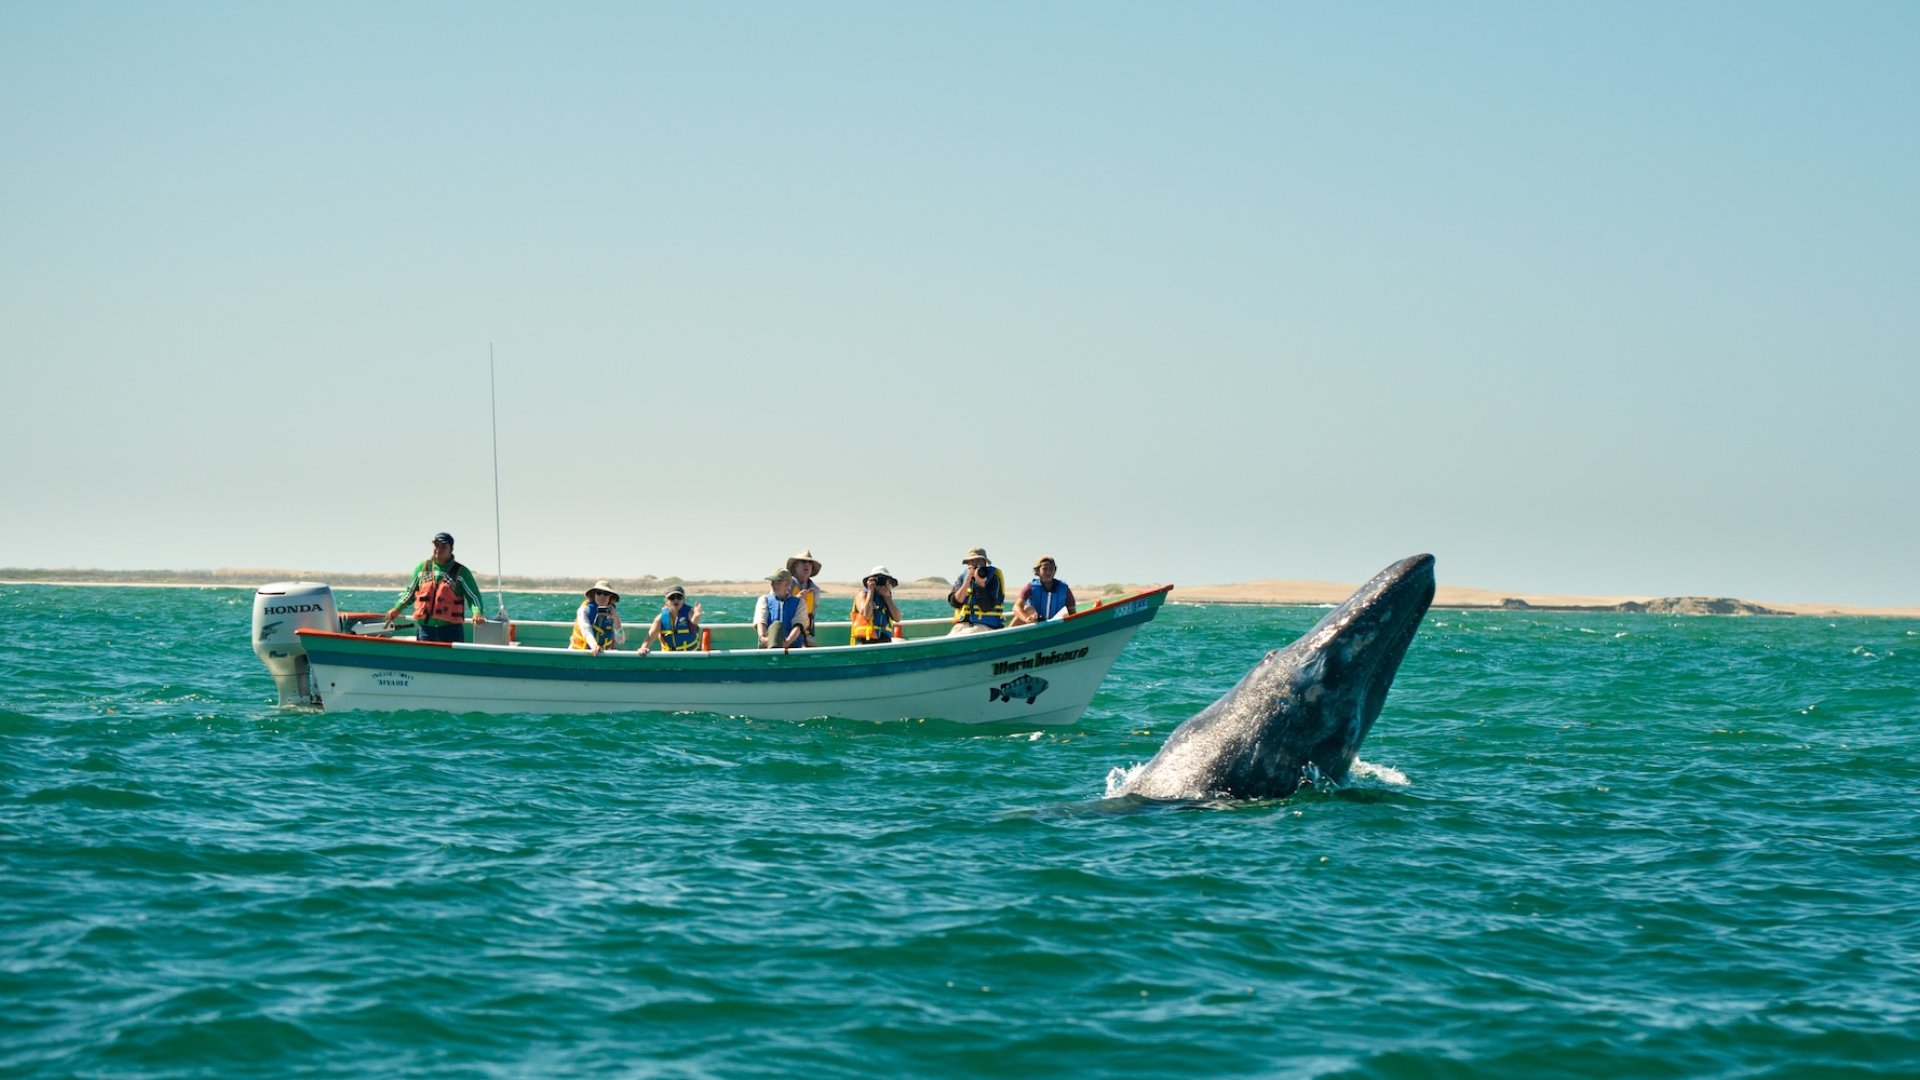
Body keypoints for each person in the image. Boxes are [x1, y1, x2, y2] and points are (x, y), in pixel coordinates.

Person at [385, 531, 487, 643]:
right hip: (425, 630)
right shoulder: (422, 568)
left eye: (443, 546)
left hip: (451, 630)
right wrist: (397, 608)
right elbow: (410, 593)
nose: (439, 549)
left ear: (451, 549)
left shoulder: (462, 572)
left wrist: (477, 612)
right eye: (436, 545)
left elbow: (473, 596)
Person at [947, 546, 1006, 634]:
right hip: (963, 623)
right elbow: (955, 603)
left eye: (979, 561)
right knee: (951, 635)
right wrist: (967, 582)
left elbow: (986, 607)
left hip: (986, 625)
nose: (975, 564)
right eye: (972, 561)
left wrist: (981, 585)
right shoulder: (962, 578)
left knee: (962, 635)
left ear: (985, 562)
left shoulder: (993, 579)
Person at [1011, 554, 1078, 626]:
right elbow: (1016, 607)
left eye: (1051, 569)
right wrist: (1026, 619)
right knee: (1027, 609)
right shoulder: (1030, 587)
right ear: (1037, 571)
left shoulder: (1064, 589)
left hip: (1056, 626)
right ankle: (1009, 635)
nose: (1048, 572)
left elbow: (1072, 612)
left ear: (1055, 570)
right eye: (1045, 569)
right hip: (1035, 624)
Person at [850, 566, 907, 645]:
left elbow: (897, 618)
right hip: (866, 640)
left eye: (884, 580)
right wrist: (871, 591)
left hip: (885, 640)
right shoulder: (863, 594)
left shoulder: (886, 598)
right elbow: (866, 615)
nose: (881, 583)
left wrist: (887, 597)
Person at [638, 585, 704, 654]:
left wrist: (697, 615)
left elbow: (694, 622)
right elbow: (651, 636)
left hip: (690, 655)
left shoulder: (690, 612)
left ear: (683, 599)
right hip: (669, 655)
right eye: (672, 598)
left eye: (679, 597)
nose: (676, 600)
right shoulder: (660, 619)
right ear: (666, 601)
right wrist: (643, 648)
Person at [755, 568, 807, 650]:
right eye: (772, 581)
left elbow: (799, 625)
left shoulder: (799, 603)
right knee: (776, 625)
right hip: (767, 646)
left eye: (778, 581)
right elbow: (761, 621)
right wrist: (763, 639)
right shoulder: (764, 600)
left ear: (788, 583)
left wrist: (787, 642)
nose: (773, 584)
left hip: (792, 647)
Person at [569, 580, 625, 654]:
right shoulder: (584, 610)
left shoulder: (613, 612)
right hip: (580, 652)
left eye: (606, 594)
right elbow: (586, 630)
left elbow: (620, 640)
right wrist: (594, 645)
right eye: (598, 593)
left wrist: (616, 620)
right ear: (594, 595)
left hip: (603, 654)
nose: (602, 596)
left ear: (610, 597)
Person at [786, 548, 824, 646]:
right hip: (786, 632)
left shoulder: (815, 590)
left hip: (806, 635)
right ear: (795, 566)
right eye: (803, 561)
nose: (807, 564)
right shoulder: (785, 584)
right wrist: (795, 601)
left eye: (809, 563)